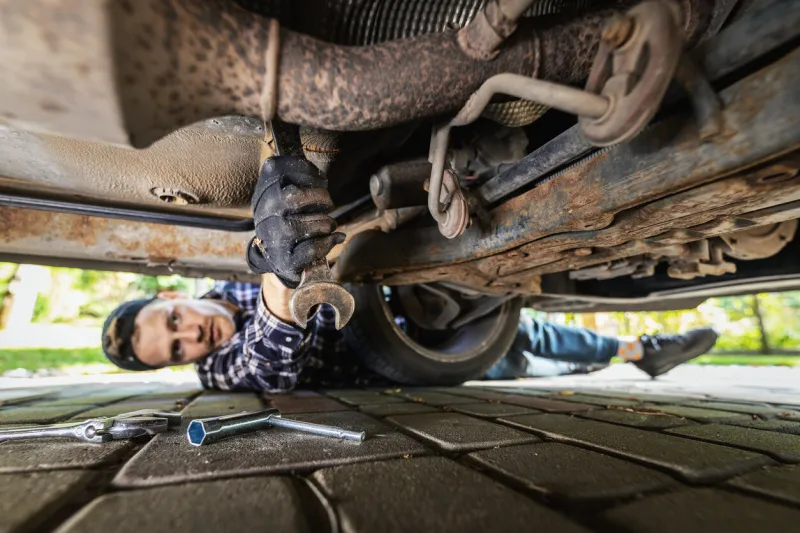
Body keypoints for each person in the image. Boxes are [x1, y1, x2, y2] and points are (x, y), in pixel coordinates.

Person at [101, 156, 718, 391]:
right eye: (176, 350)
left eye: (174, 322)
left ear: (171, 295)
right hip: (402, 355)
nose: (192, 337)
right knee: (522, 357)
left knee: (527, 333)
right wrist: (280, 274)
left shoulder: (221, 288)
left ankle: (641, 349)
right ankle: (635, 352)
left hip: (410, 295)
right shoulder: (219, 373)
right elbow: (272, 367)